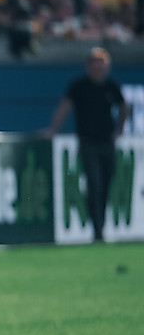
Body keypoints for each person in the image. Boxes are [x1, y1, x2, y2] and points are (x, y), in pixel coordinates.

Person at [46, 47, 133, 242]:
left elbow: (123, 106)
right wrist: (54, 129)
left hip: (106, 142)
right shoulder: (79, 86)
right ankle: (97, 230)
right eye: (95, 66)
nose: (98, 70)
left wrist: (120, 128)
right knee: (94, 184)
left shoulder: (111, 86)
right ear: (88, 67)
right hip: (88, 142)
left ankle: (100, 224)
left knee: (105, 184)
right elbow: (64, 107)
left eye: (102, 66)